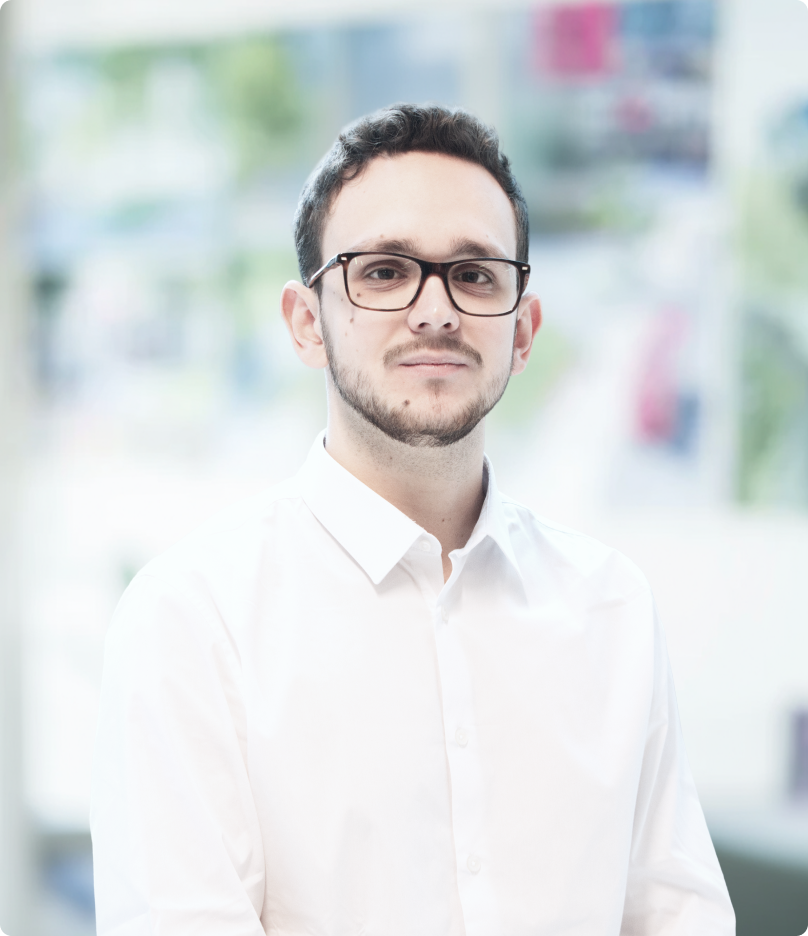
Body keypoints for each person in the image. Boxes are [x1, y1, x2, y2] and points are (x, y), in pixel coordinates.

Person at [90, 104, 734, 935]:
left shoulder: (613, 607)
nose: (436, 310)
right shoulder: (191, 620)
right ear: (306, 323)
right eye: (386, 271)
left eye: (475, 275)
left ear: (524, 330)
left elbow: (680, 916)